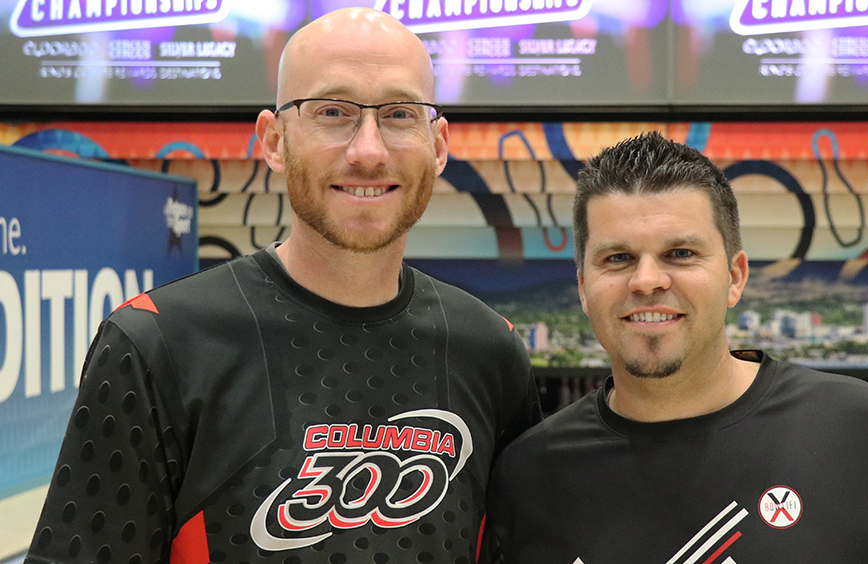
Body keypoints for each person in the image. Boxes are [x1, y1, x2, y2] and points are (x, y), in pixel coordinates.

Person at [27, 8, 540, 564]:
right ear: (273, 140)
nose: (368, 150)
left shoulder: (491, 352)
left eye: (398, 113)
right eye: (332, 112)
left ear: (437, 146)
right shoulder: (155, 344)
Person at [485, 132, 868, 564]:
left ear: (735, 276)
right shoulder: (528, 475)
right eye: (617, 258)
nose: (647, 280)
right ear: (581, 287)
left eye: (681, 254)